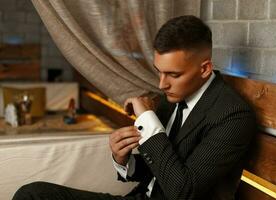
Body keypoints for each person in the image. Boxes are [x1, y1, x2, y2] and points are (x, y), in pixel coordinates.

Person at [13, 15, 256, 200]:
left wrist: (148, 118)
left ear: (204, 69)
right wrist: (123, 160)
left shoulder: (232, 115)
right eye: (158, 71)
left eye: (173, 74)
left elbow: (182, 190)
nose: (162, 84)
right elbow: (161, 168)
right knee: (32, 194)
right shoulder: (175, 95)